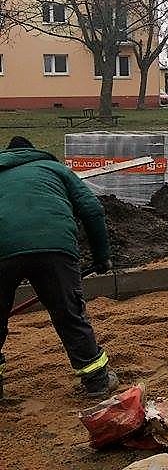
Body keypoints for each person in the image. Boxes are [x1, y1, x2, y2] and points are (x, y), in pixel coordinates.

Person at [0, 136, 118, 399]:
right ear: (34, 152)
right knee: (68, 313)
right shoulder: (55, 169)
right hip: (54, 246)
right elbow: (92, 210)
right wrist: (102, 257)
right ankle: (96, 381)